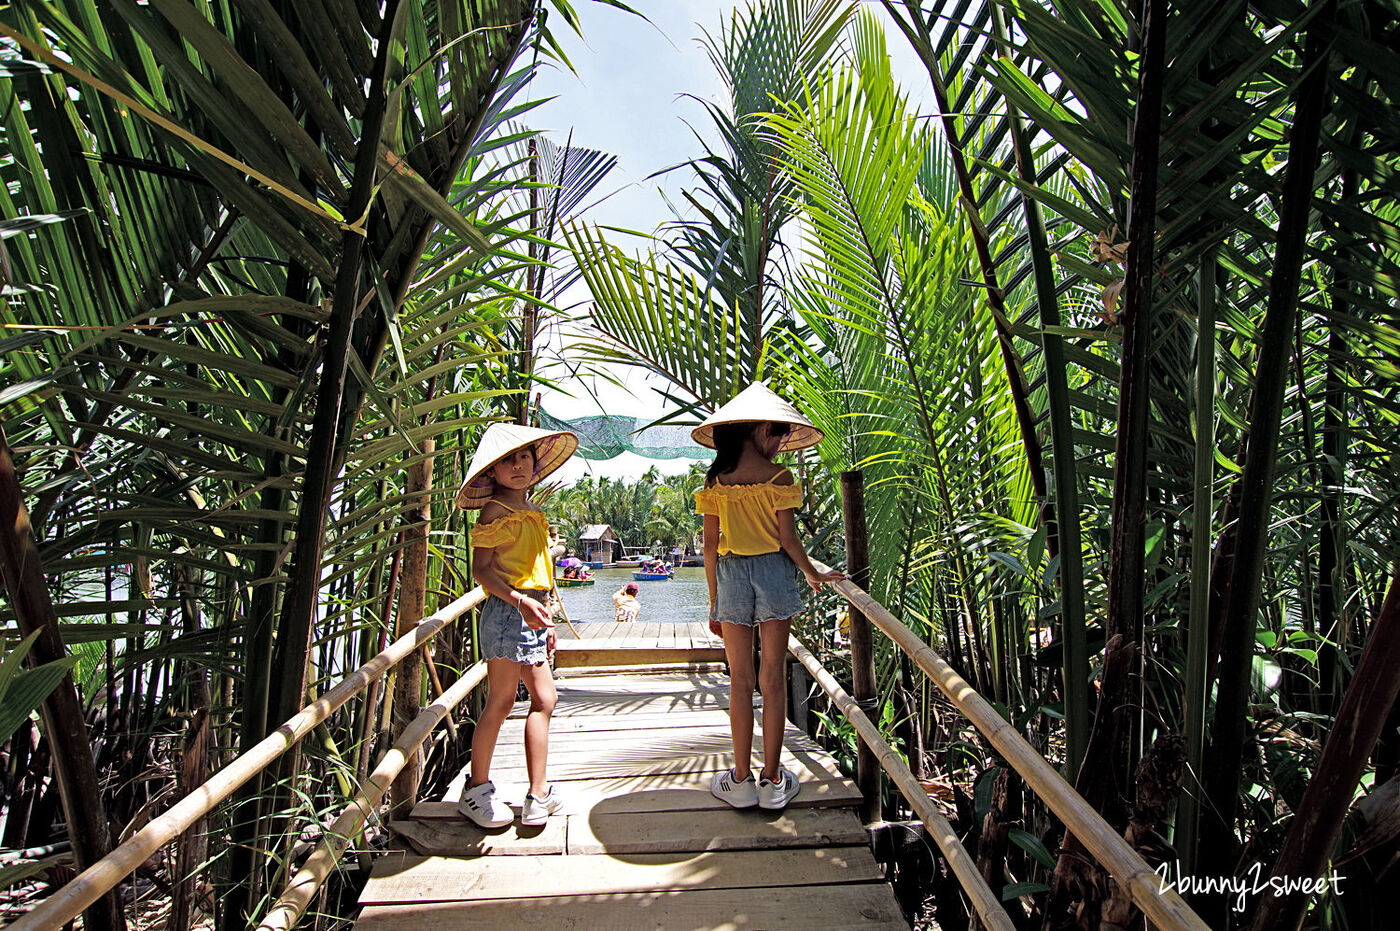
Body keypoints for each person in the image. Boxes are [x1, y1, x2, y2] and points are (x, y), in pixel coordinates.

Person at [692, 382, 845, 811]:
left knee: (739, 681)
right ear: (759, 428)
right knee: (772, 678)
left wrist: (713, 600)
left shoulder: (716, 480)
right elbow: (789, 540)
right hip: (775, 572)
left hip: (731, 576)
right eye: (777, 432)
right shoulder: (779, 478)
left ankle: (740, 779)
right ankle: (773, 780)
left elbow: (708, 546)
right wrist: (813, 574)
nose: (780, 443)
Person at [453, 422, 578, 828]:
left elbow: (541, 572)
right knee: (503, 701)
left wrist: (548, 619)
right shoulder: (495, 512)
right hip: (510, 612)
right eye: (508, 460)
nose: (519, 465)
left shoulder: (531, 511)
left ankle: (538, 793)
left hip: (533, 614)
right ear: (492, 471)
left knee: (544, 699)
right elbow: (482, 571)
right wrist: (520, 601)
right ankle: (477, 789)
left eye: (524, 456)